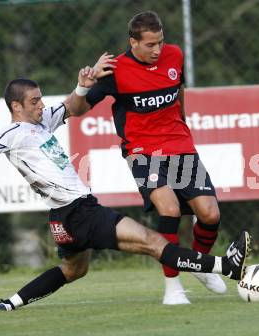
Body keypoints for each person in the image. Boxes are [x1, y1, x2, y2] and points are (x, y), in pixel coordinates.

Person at [0, 60, 251, 313]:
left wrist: (83, 86)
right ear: (16, 107)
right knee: (153, 241)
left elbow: (71, 107)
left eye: (40, 100)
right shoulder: (11, 134)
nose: (41, 105)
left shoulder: (41, 123)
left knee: (73, 269)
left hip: (62, 217)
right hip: (80, 211)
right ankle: (225, 266)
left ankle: (8, 304)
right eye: (34, 101)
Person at [83, 11, 227, 304]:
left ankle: (199, 263)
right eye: (150, 45)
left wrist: (182, 123)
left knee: (210, 214)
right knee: (170, 210)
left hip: (179, 145)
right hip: (142, 151)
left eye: (160, 42)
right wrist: (84, 84)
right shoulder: (114, 69)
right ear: (133, 42)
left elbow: (179, 89)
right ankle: (173, 288)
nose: (157, 50)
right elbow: (77, 108)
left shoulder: (174, 55)